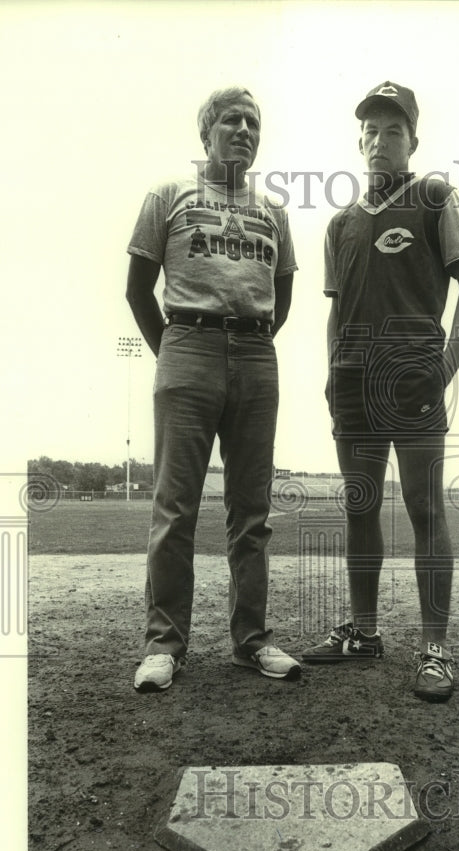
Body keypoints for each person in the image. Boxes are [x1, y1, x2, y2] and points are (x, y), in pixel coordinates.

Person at [301, 81, 459, 702]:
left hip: (413, 377)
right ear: (360, 139)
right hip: (352, 378)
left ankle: (435, 645)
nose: (381, 140)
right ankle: (365, 632)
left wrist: (446, 364)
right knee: (359, 508)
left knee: (424, 508)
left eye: (394, 130)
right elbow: (334, 309)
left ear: (413, 139)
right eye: (372, 131)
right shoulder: (340, 223)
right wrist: (331, 368)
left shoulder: (434, 196)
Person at [126, 86, 301, 692]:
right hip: (187, 345)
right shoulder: (170, 194)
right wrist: (177, 352)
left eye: (254, 121)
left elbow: (282, 294)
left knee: (251, 513)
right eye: (232, 120)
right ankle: (163, 645)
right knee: (175, 509)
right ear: (206, 133)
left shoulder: (273, 209)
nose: (245, 130)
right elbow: (137, 287)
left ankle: (250, 641)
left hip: (256, 352)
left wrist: (246, 342)